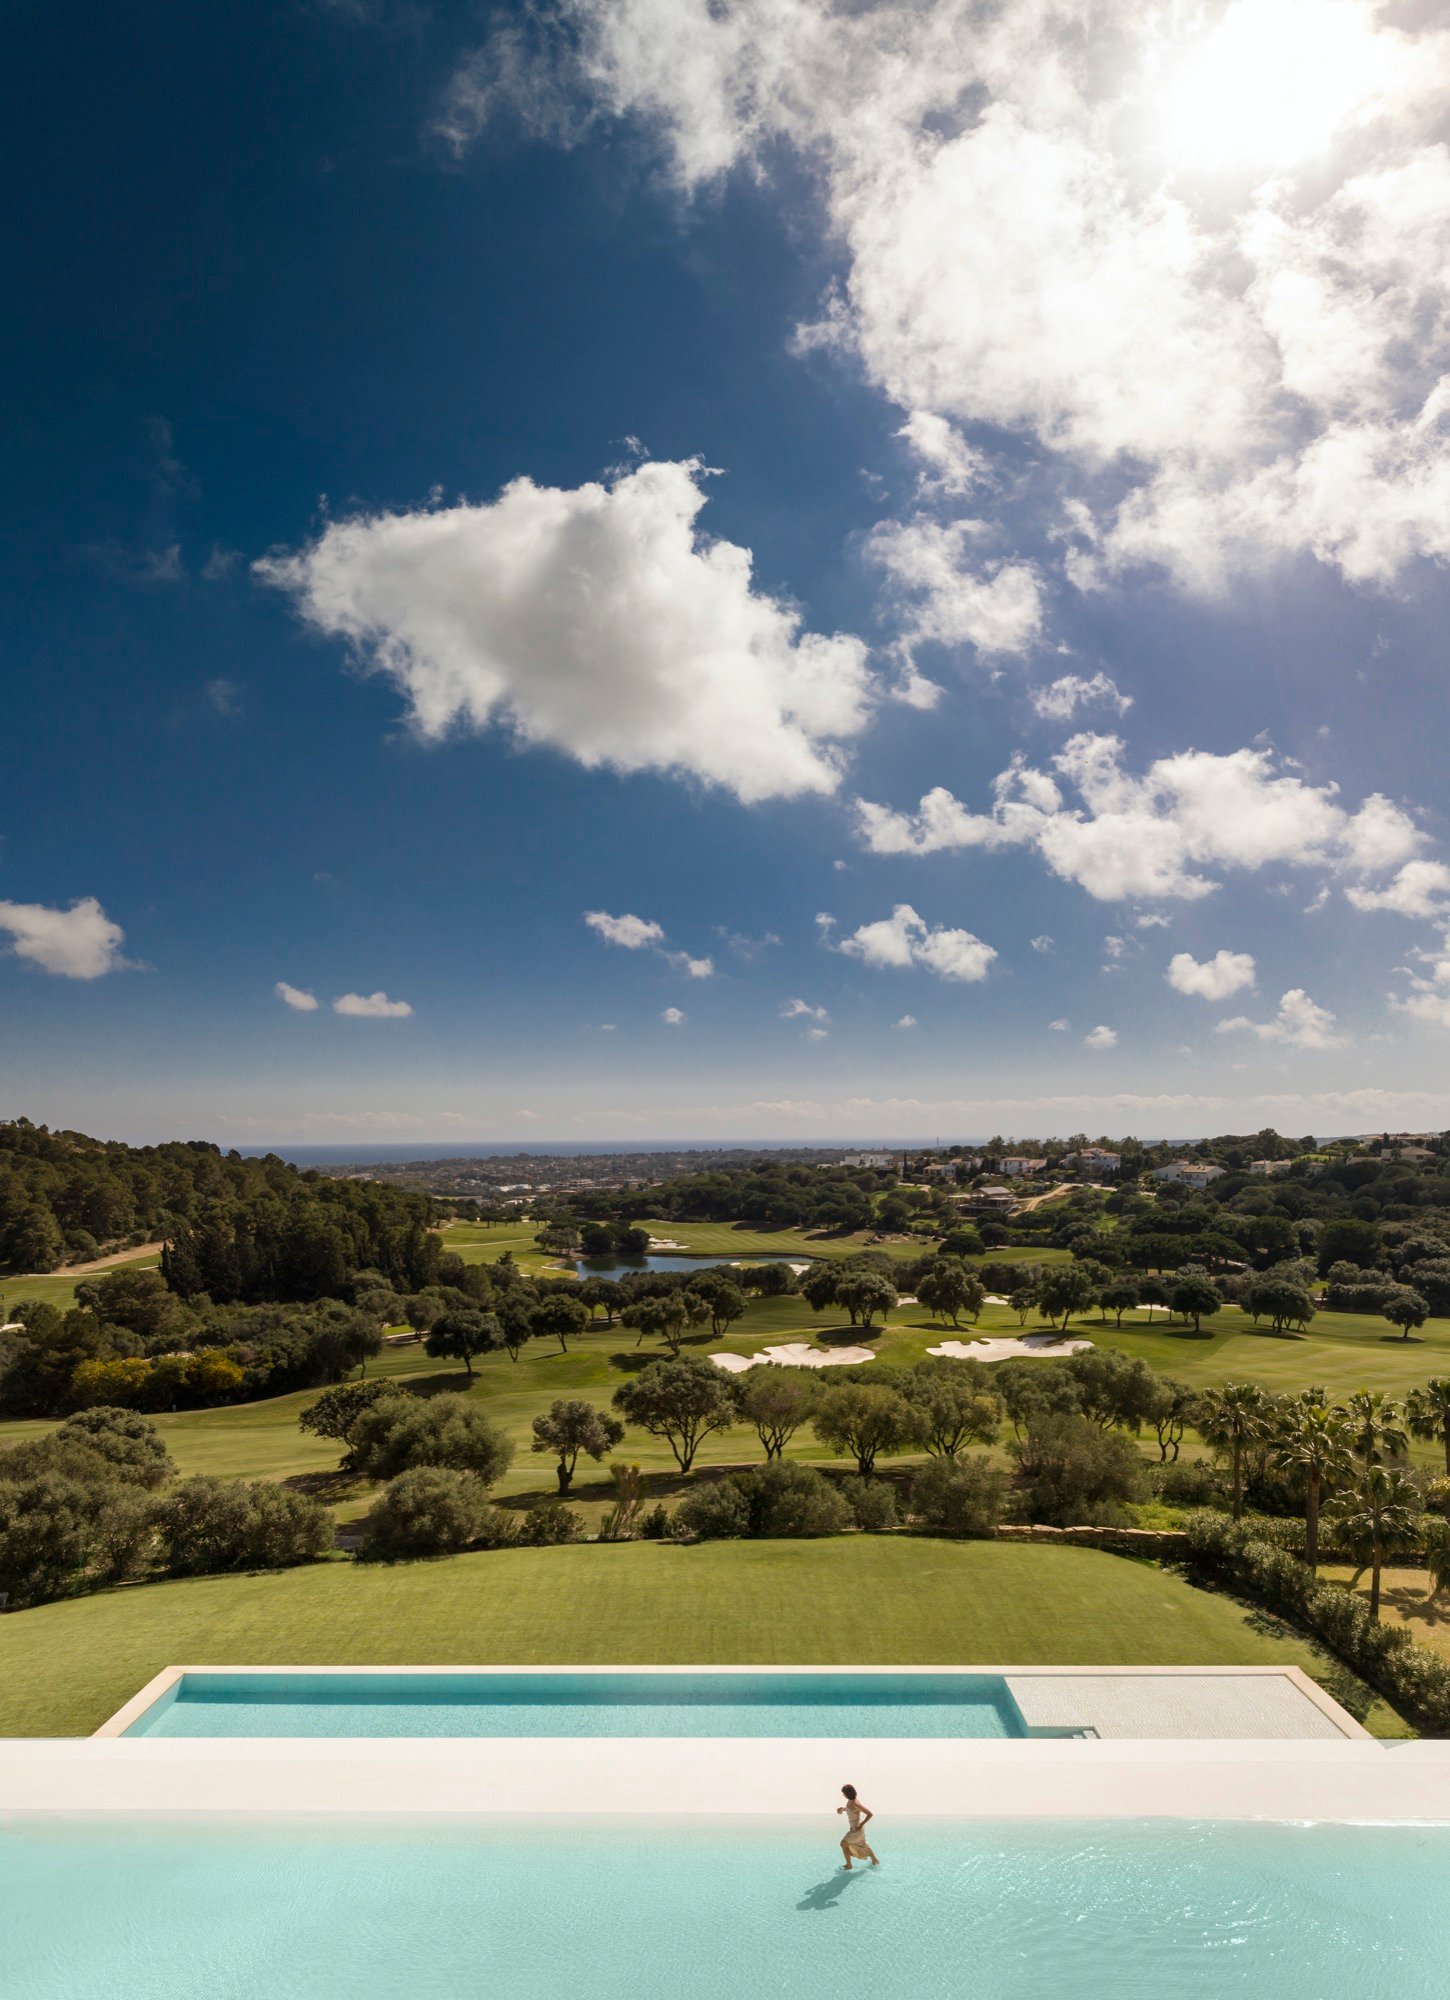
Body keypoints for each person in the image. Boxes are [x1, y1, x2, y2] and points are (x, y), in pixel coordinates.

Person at [836, 1783, 878, 1869]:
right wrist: (843, 1809)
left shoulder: (855, 1803)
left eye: (843, 1793)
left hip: (857, 1829)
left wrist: (860, 1825)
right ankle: (874, 1860)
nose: (843, 1794)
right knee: (862, 1844)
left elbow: (869, 1814)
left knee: (843, 1844)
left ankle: (849, 1865)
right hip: (854, 1828)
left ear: (847, 1793)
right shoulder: (850, 1801)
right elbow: (851, 1810)